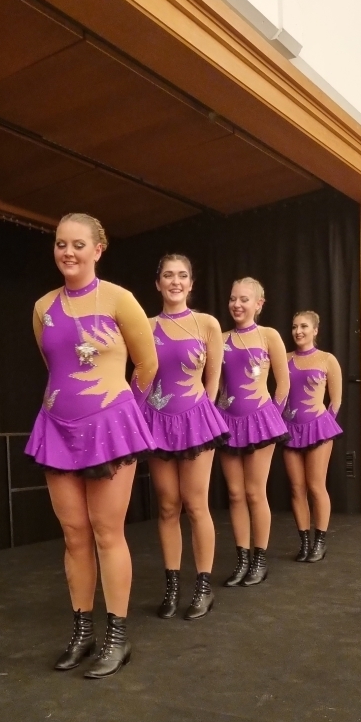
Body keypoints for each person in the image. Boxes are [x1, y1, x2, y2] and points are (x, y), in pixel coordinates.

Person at [25, 213, 158, 679]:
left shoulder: (120, 299)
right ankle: (82, 632)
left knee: (106, 532)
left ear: (98, 249)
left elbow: (147, 364)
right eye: (61, 243)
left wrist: (121, 412)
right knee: (74, 534)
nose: (68, 252)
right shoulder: (43, 306)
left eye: (78, 244)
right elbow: (52, 364)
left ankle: (116, 638)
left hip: (109, 429)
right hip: (57, 427)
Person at [135, 255, 228, 620]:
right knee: (167, 505)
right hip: (156, 421)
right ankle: (172, 586)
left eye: (182, 276)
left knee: (195, 503)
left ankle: (203, 587)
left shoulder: (207, 324)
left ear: (191, 284)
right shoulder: (144, 325)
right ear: (157, 283)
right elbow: (140, 375)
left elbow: (214, 377)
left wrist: (203, 414)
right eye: (168, 275)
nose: (175, 281)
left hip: (195, 420)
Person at [217, 277, 289, 586]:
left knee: (254, 492)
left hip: (260, 420)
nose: (237, 304)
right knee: (235, 494)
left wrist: (271, 417)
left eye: (244, 299)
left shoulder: (269, 335)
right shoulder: (221, 338)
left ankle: (259, 559)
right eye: (233, 298)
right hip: (228, 421)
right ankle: (242, 559)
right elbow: (217, 384)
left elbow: (283, 384)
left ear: (258, 304)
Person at [282, 310, 343, 563]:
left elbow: (335, 401)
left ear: (315, 330)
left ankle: (320, 541)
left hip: (318, 428)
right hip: (289, 429)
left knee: (316, 486)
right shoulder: (284, 358)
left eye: (304, 326)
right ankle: (305, 541)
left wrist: (324, 426)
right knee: (297, 488)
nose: (298, 331)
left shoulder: (327, 359)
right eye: (295, 326)